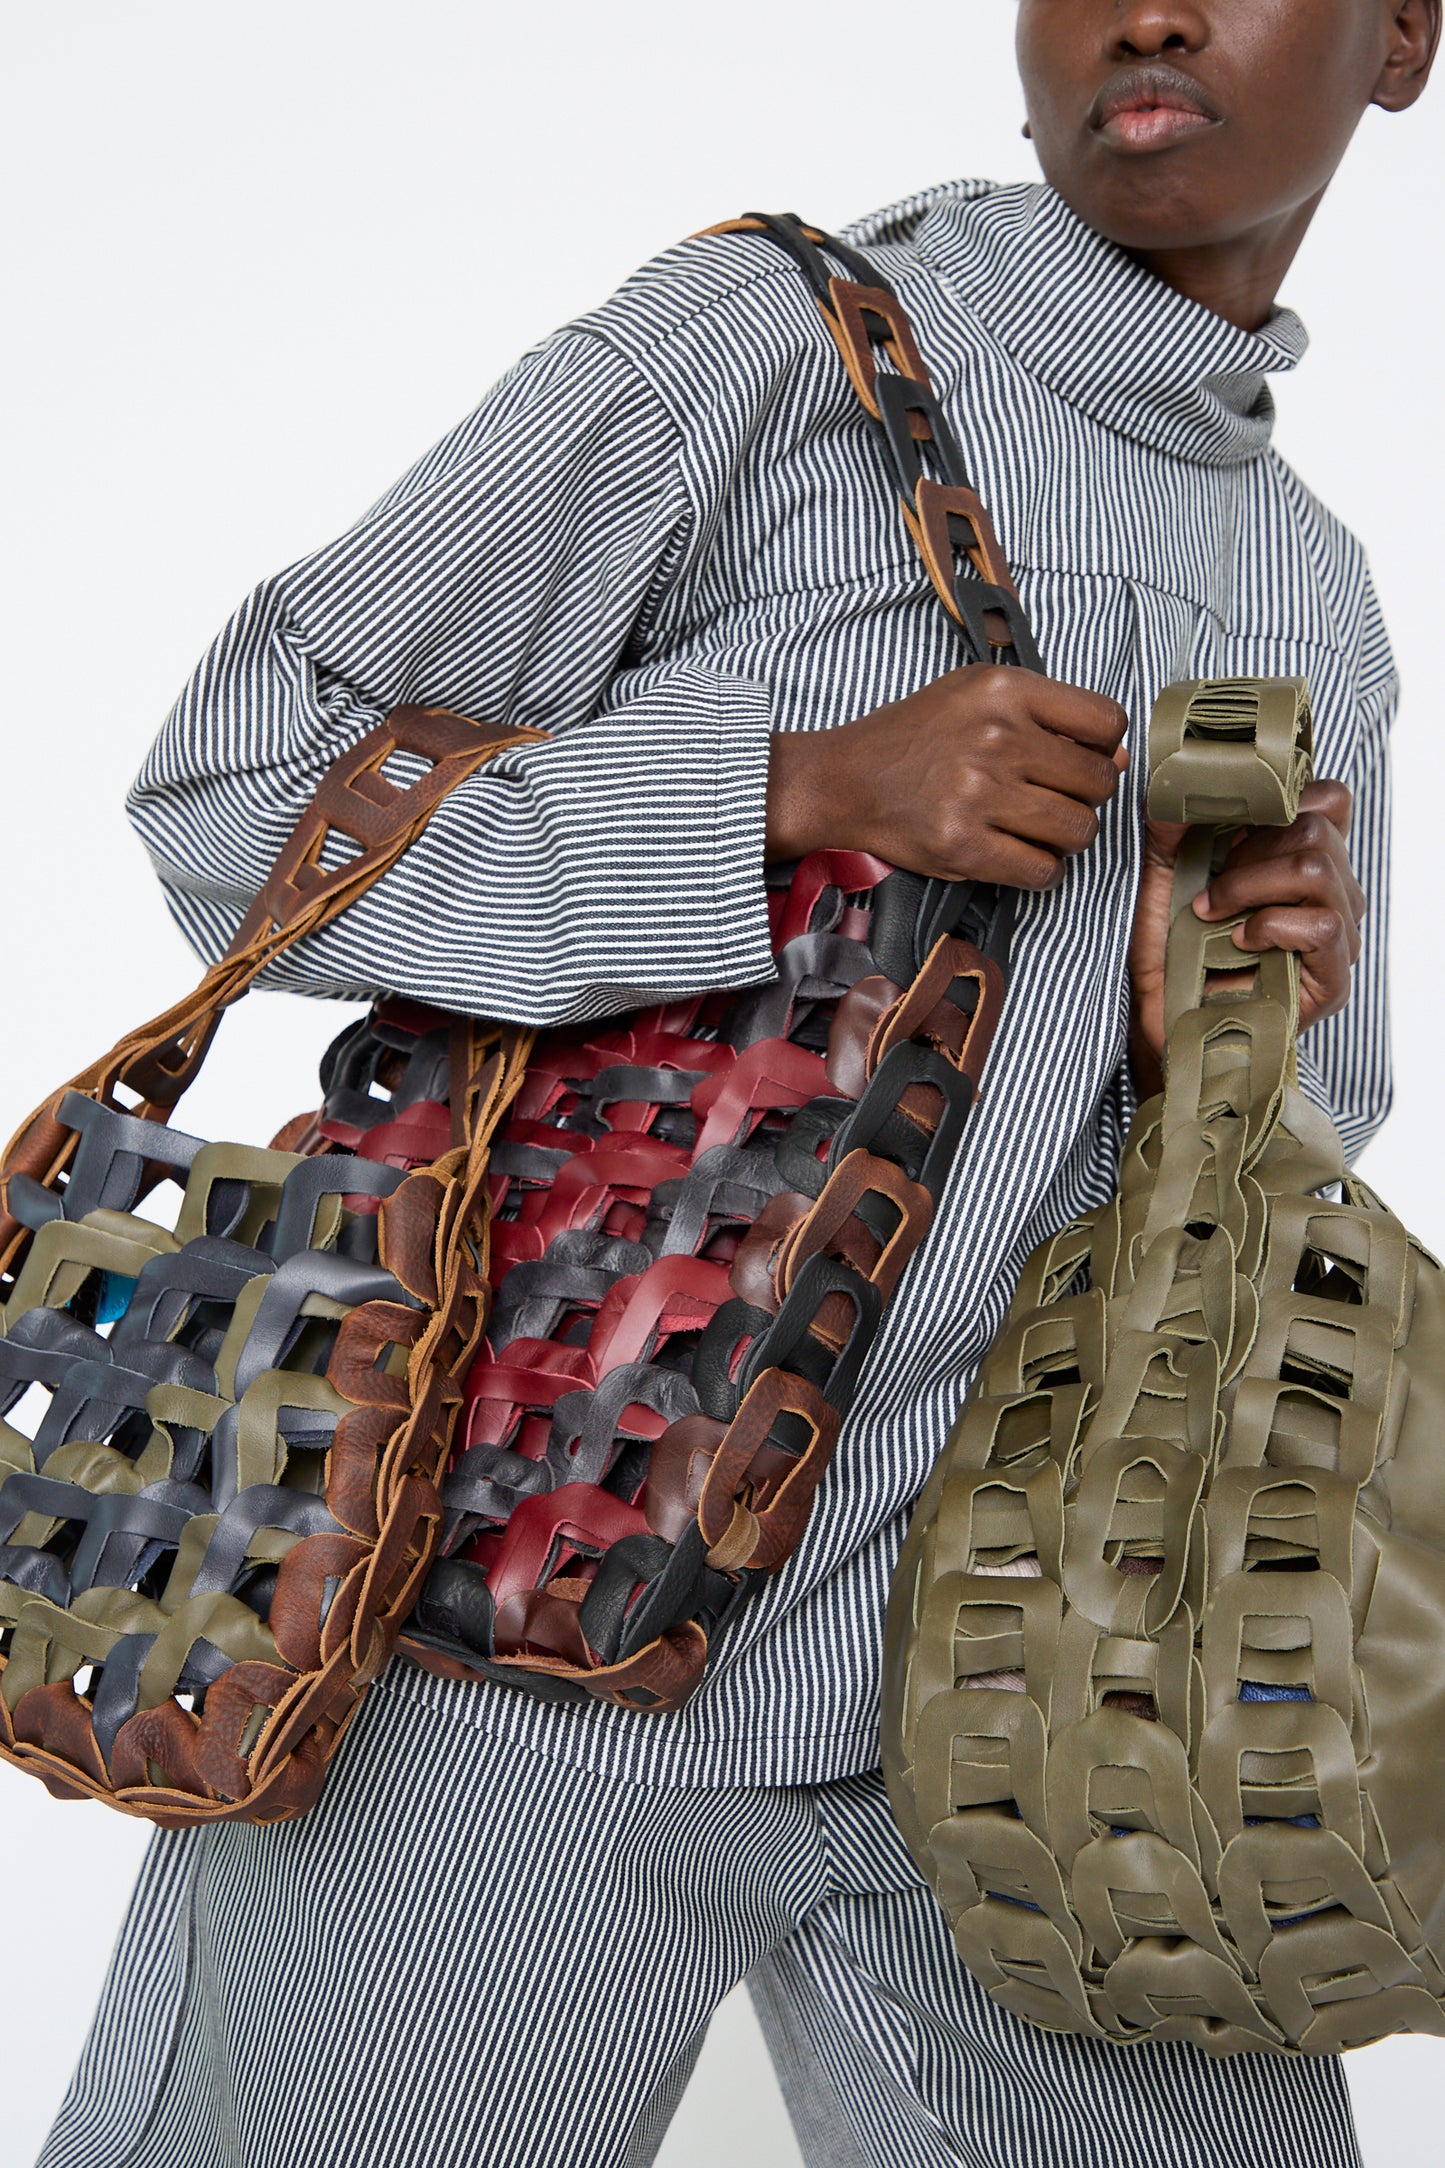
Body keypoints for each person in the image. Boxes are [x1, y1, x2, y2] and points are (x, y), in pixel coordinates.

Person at [35, 3, 1437, 2164]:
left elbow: (1274, 1167)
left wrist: (1218, 1043)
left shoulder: (1318, 598)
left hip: (1027, 1703)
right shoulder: (771, 352)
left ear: (1405, 38)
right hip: (514, 1629)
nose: (1144, 10)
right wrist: (788, 790)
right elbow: (236, 781)